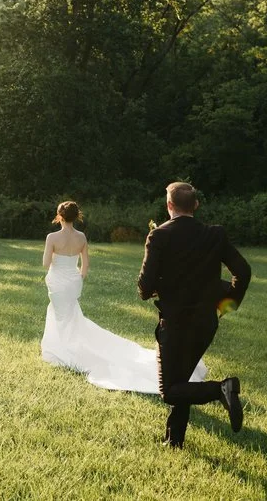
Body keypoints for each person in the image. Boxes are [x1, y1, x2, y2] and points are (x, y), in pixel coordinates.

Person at [41, 200, 207, 393]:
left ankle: (63, 347)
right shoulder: (81, 237)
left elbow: (46, 263)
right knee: (69, 314)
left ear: (59, 216)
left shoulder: (52, 237)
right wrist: (77, 278)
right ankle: (65, 343)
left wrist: (58, 261)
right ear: (77, 216)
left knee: (61, 314)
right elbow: (85, 266)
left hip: (58, 281)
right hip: (73, 281)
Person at [138, 181, 252, 448]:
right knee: (182, 379)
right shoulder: (215, 234)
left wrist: (157, 286)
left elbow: (144, 288)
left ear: (169, 206)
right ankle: (174, 439)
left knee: (169, 391)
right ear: (196, 205)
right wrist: (227, 305)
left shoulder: (159, 236)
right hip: (206, 322)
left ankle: (221, 388)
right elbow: (243, 271)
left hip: (176, 323)